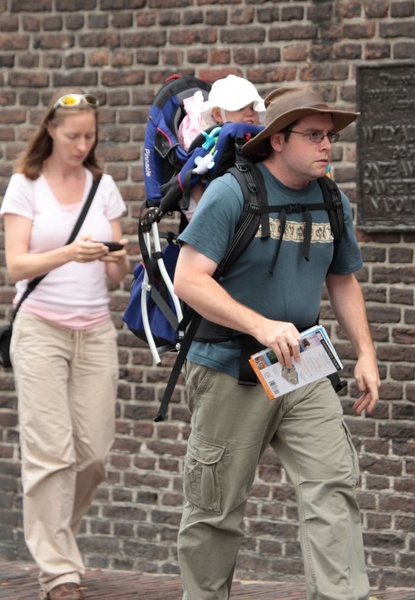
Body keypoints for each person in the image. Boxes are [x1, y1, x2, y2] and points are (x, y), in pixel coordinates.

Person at [173, 86, 381, 600]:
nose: (326, 145)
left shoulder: (331, 199)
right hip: (229, 367)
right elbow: (189, 280)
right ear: (278, 140)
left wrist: (366, 352)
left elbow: (342, 280)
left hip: (302, 367)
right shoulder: (232, 193)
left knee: (333, 485)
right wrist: (261, 325)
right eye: (313, 135)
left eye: (329, 136)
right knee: (215, 509)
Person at [0, 89, 129, 600]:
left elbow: (117, 273)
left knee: (92, 454)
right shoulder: (25, 186)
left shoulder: (104, 186)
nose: (82, 145)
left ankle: (57, 539)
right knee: (50, 453)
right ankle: (58, 573)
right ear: (50, 130)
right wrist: (69, 253)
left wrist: (114, 259)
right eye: (73, 135)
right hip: (41, 331)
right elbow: (16, 266)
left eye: (90, 136)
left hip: (95, 332)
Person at [178, 74, 265, 220]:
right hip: (204, 199)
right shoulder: (209, 139)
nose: (250, 113)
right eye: (240, 108)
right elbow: (192, 176)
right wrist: (205, 210)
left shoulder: (255, 136)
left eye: (253, 107)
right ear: (218, 115)